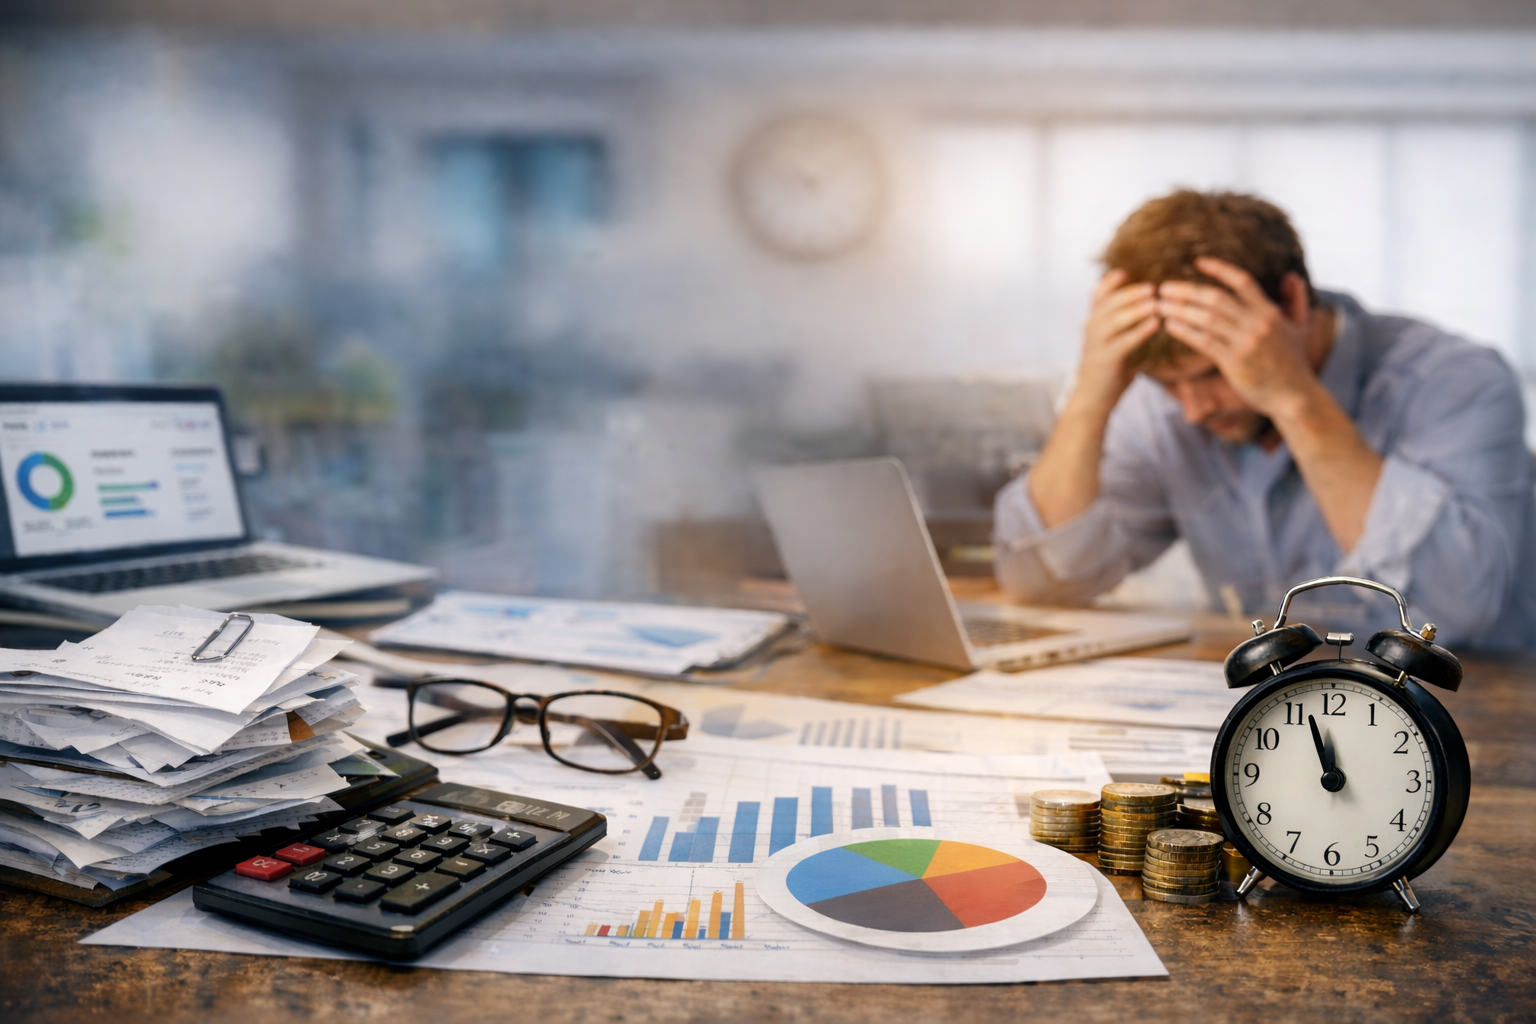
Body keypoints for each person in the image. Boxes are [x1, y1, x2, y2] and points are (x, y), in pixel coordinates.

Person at [993, 189, 1536, 647]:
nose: (1192, 409)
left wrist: (1293, 397)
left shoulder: (1455, 383)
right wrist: (1092, 394)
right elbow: (1039, 582)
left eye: (1212, 374)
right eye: (1167, 384)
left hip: (1472, 716)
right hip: (1276, 723)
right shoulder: (1167, 408)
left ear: (1293, 304)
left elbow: (1457, 609)